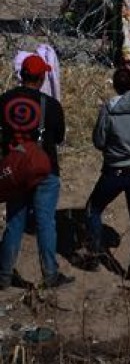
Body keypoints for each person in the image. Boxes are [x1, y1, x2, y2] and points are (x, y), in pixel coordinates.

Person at [0, 55, 72, 289]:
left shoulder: (4, 100)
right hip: (44, 169)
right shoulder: (50, 105)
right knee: (45, 223)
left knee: (14, 222)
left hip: (15, 170)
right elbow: (59, 137)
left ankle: (3, 276)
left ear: (21, 75)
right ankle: (50, 275)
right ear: (41, 78)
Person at [85, 68, 130, 280]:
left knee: (93, 209)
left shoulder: (109, 109)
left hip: (115, 170)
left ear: (115, 85)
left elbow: (99, 141)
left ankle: (96, 254)